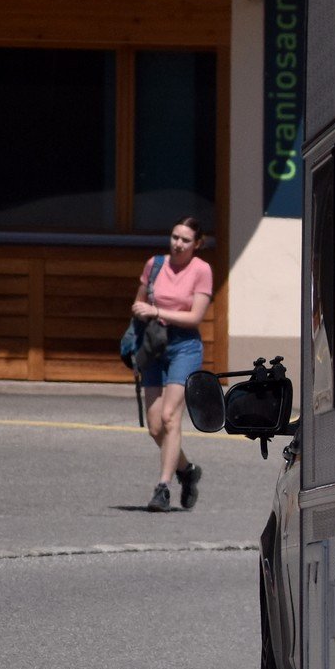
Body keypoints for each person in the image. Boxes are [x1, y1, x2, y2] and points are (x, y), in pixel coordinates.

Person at [132, 217, 214, 512]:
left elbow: (195, 317)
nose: (178, 244)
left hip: (184, 346)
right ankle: (187, 470)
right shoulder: (154, 264)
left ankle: (163, 487)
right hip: (154, 343)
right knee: (155, 427)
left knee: (170, 417)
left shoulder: (201, 270)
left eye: (185, 240)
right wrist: (142, 312)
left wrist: (157, 311)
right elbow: (139, 302)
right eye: (175, 237)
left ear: (197, 244)